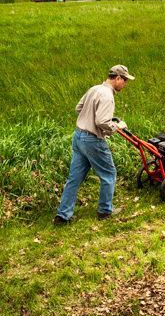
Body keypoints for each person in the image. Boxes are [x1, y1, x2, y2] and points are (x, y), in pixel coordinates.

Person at [53, 65, 134, 224]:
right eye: (124, 80)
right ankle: (105, 212)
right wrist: (118, 126)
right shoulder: (107, 96)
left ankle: (62, 216)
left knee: (74, 179)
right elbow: (101, 121)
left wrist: (91, 115)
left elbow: (79, 108)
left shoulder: (94, 89)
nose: (125, 84)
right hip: (93, 141)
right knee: (109, 174)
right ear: (117, 78)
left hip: (78, 137)